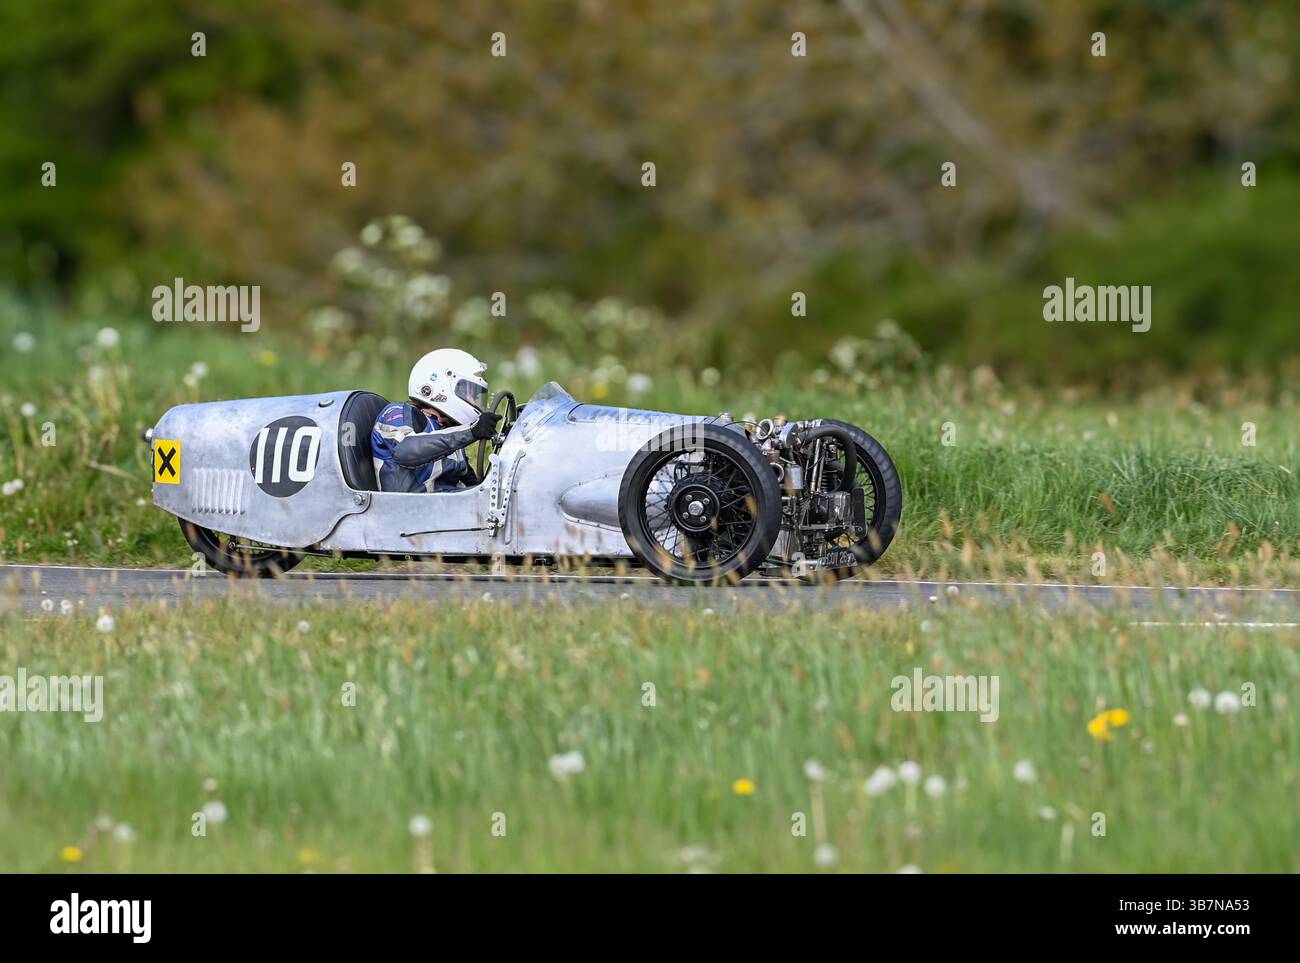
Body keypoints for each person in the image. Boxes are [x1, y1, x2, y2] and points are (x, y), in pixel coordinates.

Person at [370, 348, 501, 492]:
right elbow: (405, 451)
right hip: (410, 510)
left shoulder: (447, 432)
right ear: (440, 384)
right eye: (469, 392)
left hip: (449, 508)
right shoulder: (397, 412)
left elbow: (474, 488)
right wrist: (471, 431)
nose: (473, 399)